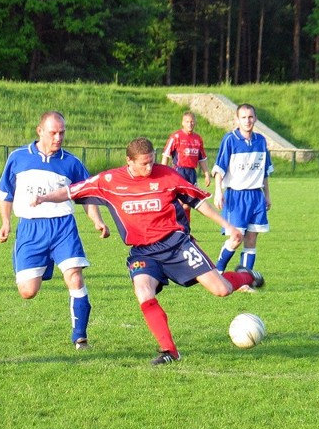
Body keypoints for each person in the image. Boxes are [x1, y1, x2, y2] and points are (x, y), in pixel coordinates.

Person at [31, 137, 264, 365]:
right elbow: (71, 191)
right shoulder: (110, 180)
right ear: (129, 161)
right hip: (143, 251)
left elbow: (198, 201)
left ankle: (247, 275)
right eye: (144, 163)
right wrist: (44, 198)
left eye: (152, 161)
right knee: (143, 290)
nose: (149, 167)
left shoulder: (167, 175)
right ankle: (169, 351)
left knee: (221, 289)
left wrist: (227, 226)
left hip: (176, 244)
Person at [0, 111, 110, 350]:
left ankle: (80, 337)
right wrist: (5, 222)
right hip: (30, 228)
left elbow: (86, 196)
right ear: (40, 131)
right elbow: (5, 194)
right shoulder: (18, 158)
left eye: (62, 132)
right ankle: (35, 261)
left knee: (75, 276)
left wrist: (96, 221)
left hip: (62, 226)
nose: (58, 138)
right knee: (28, 291)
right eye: (53, 132)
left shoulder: (72, 163)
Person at [212, 103, 273, 273]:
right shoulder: (230, 140)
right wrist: (218, 191)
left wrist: (267, 195)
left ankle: (244, 280)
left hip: (256, 196)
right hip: (236, 196)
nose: (248, 121)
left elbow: (265, 171)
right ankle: (218, 272)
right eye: (244, 117)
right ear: (237, 120)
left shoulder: (261, 141)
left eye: (250, 117)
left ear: (255, 118)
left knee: (251, 239)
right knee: (236, 238)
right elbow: (219, 168)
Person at [161, 111, 211, 223]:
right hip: (179, 171)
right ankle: (176, 227)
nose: (190, 124)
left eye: (192, 121)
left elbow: (202, 158)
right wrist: (162, 173)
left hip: (191, 173)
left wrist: (207, 174)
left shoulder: (198, 139)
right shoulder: (176, 137)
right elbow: (166, 155)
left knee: (189, 203)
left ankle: (186, 230)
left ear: (195, 123)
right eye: (187, 122)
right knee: (179, 202)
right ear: (183, 123)